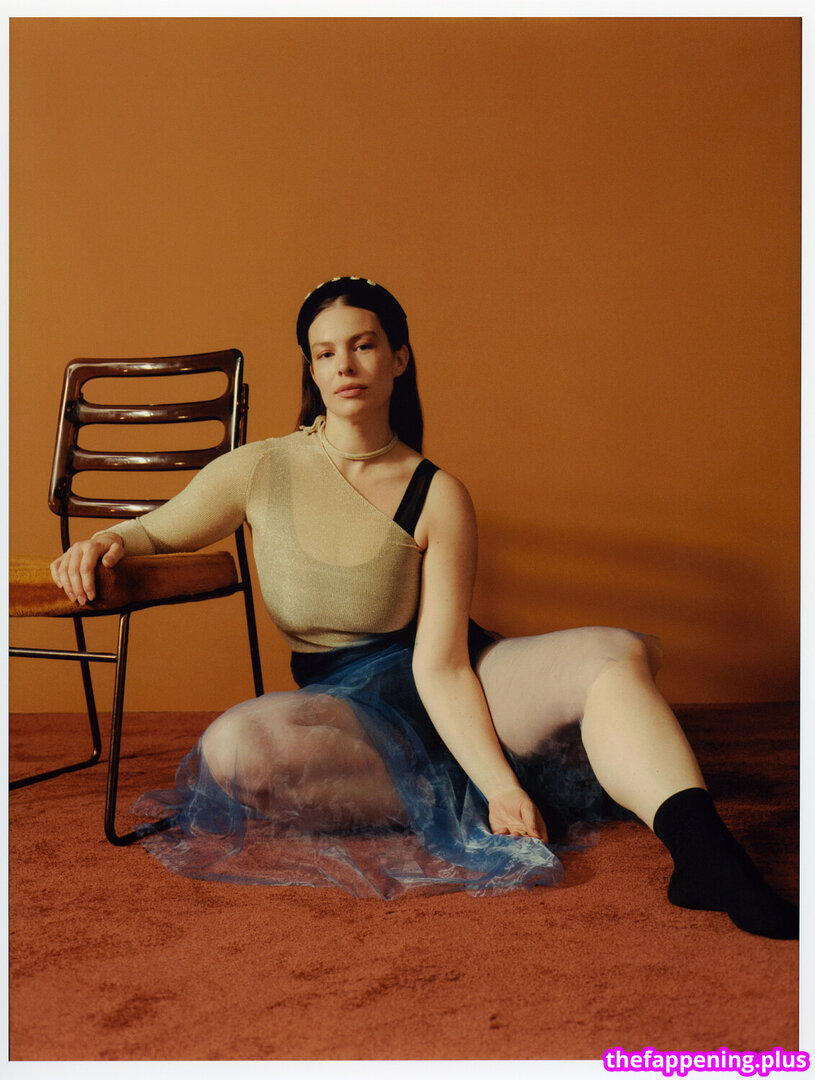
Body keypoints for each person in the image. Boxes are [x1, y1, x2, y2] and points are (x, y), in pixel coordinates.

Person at [50, 276, 797, 937]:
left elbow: (440, 665)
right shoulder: (262, 468)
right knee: (237, 747)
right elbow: (155, 530)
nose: (345, 365)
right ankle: (513, 775)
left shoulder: (436, 492)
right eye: (325, 353)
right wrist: (104, 542)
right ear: (312, 369)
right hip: (346, 705)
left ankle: (709, 860)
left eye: (364, 345)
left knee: (615, 654)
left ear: (399, 358)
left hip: (450, 670)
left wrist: (500, 788)